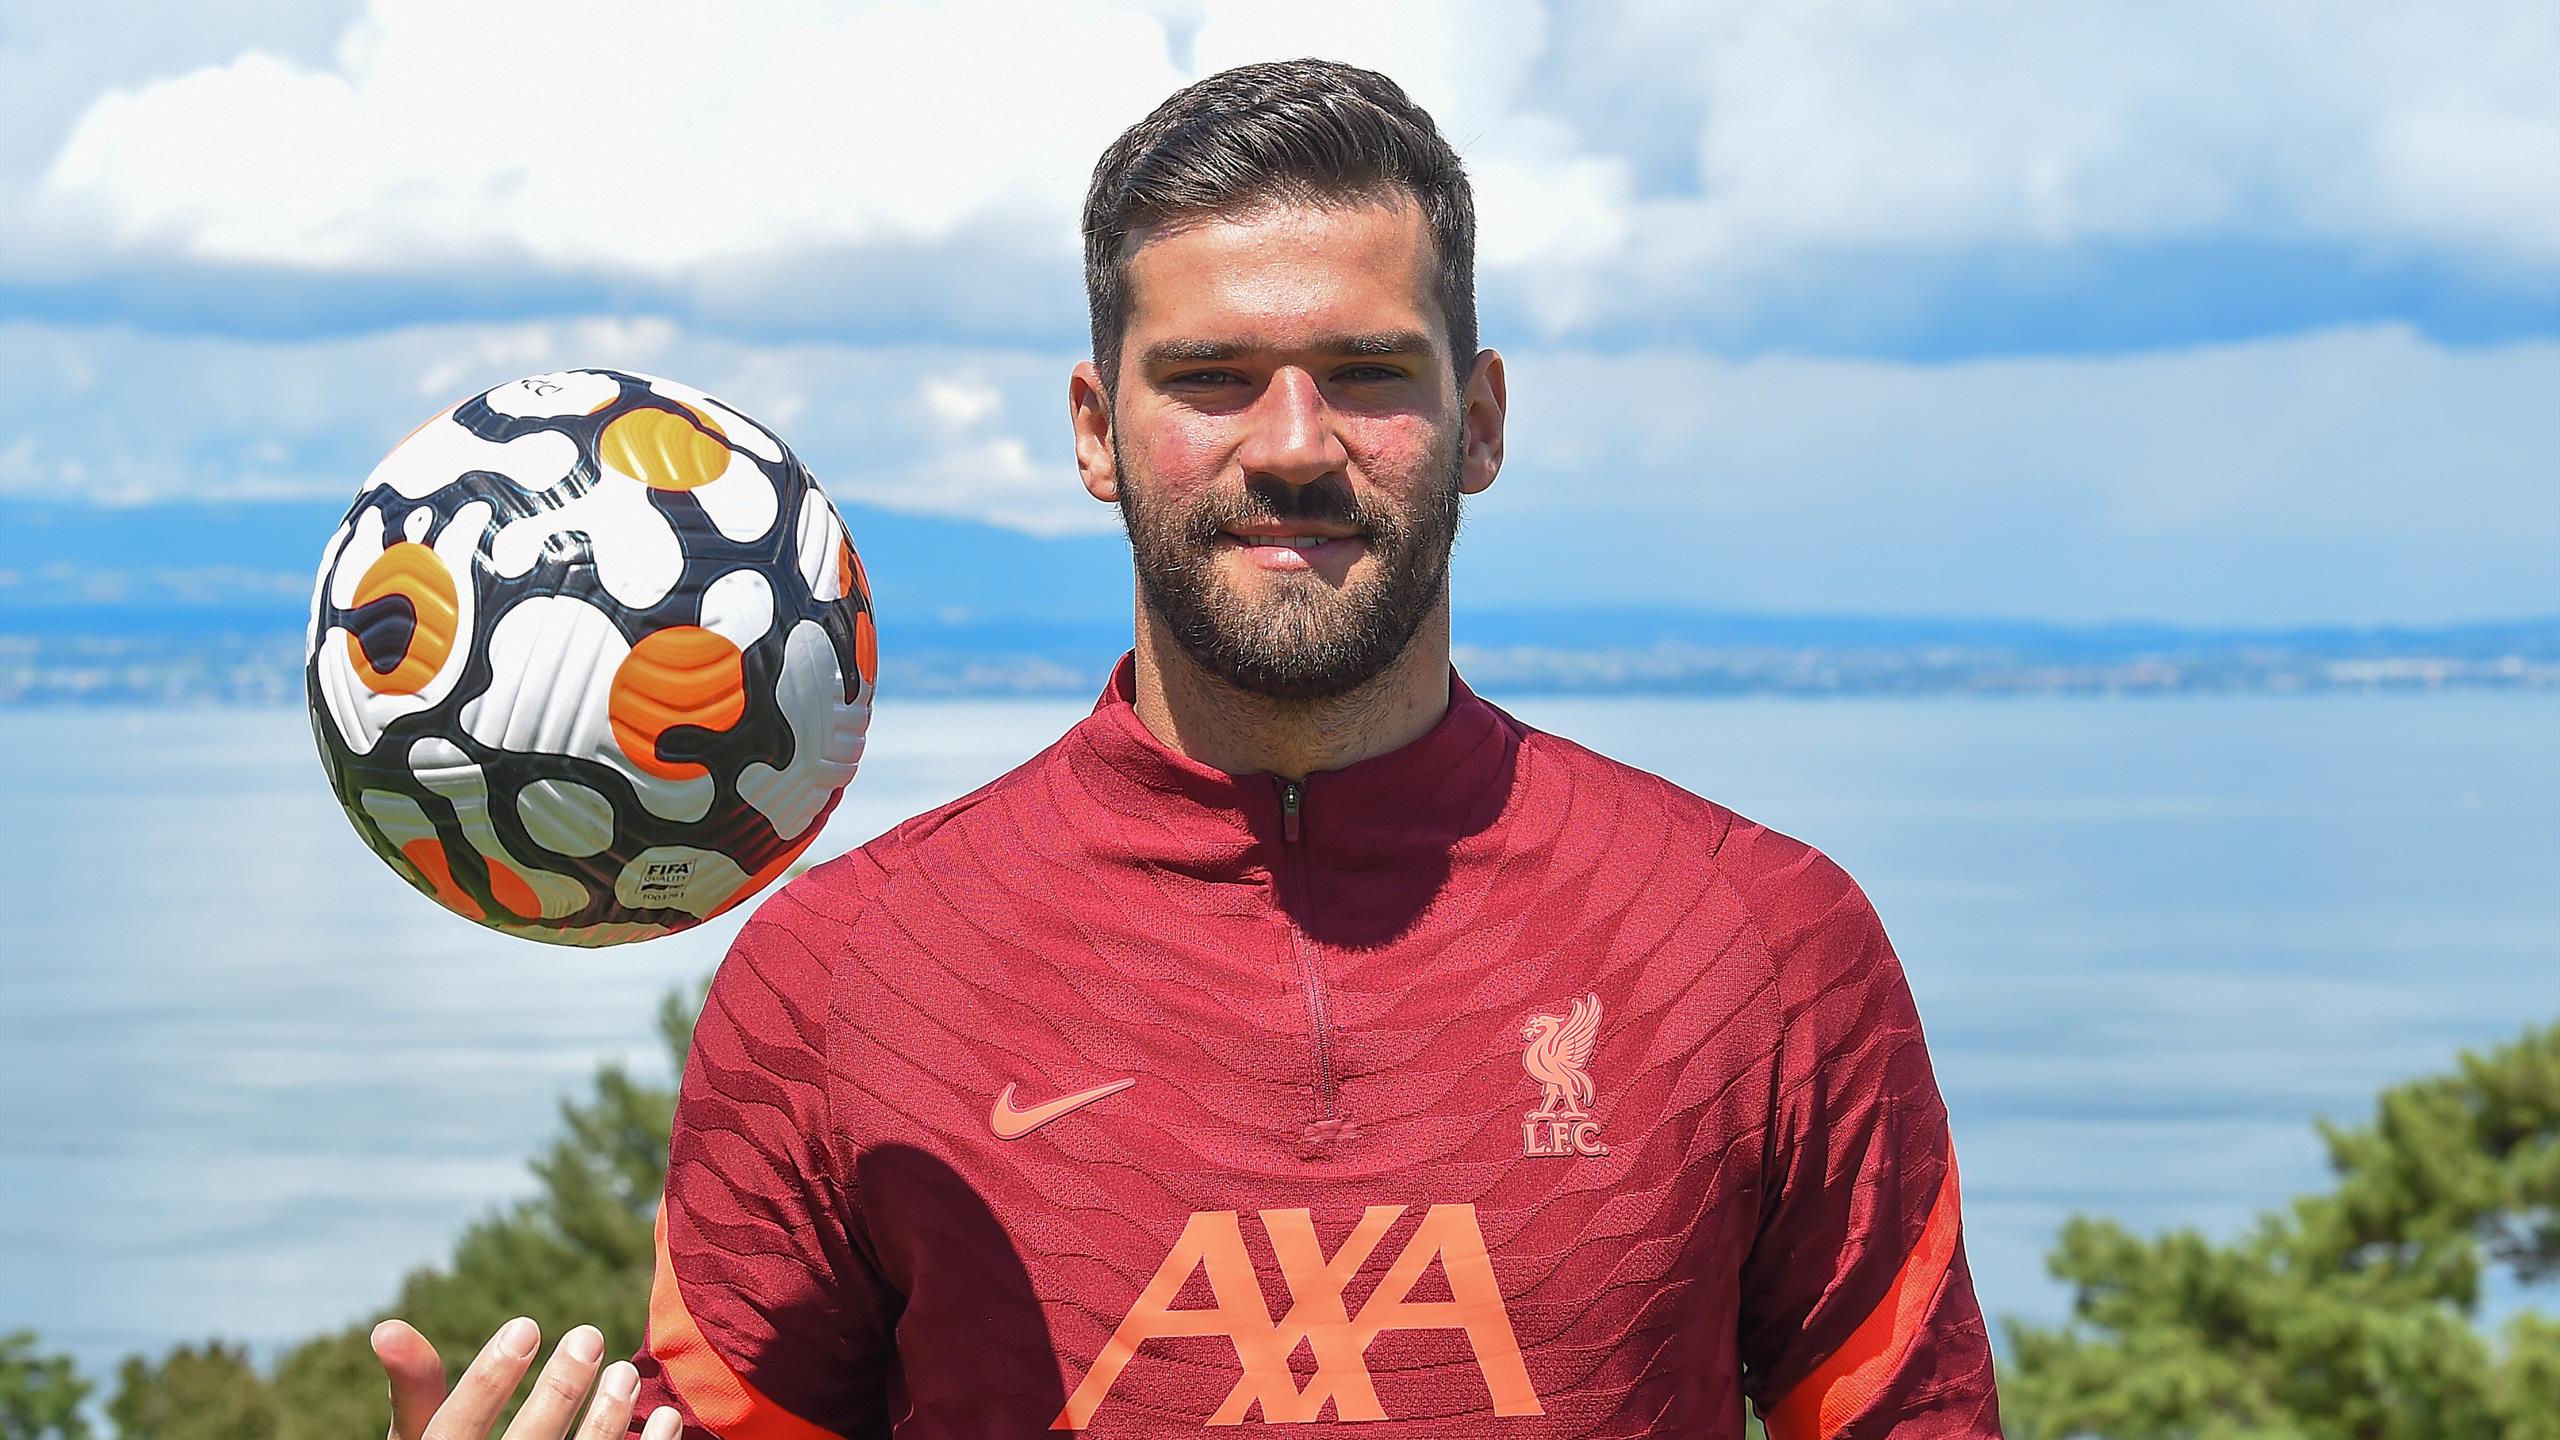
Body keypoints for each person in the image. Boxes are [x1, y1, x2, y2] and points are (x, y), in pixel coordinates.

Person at [371, 59, 2005, 1439]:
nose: (1294, 445)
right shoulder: (844, 975)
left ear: (1482, 420)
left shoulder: (1760, 940)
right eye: (1212, 380)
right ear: (1097, 431)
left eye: (1368, 375)